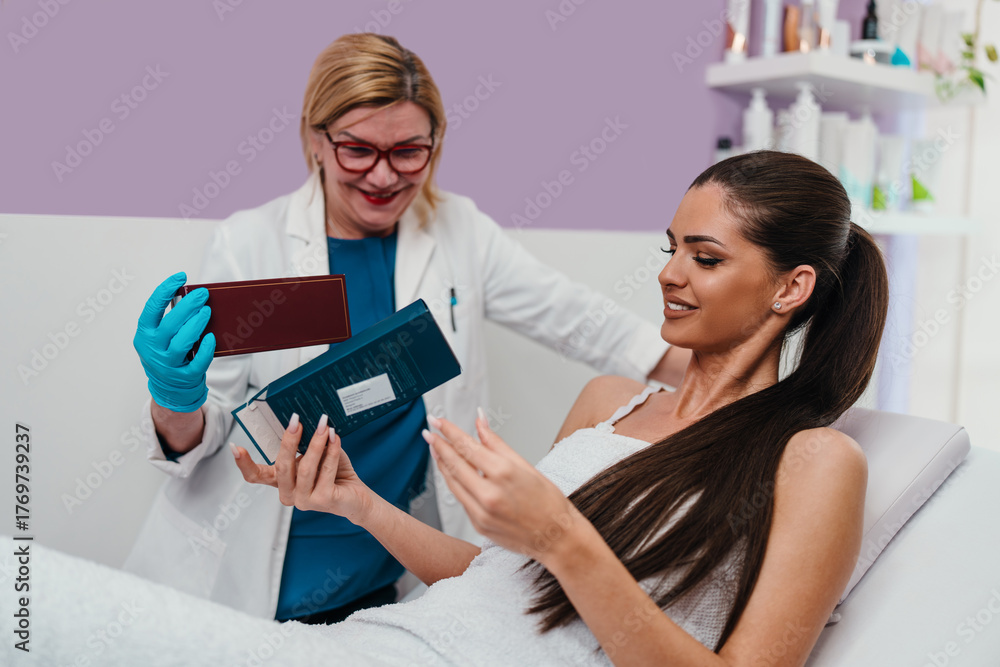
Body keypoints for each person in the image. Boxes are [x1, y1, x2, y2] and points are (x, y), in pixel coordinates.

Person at [13, 150, 889, 666]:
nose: (667, 272)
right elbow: (496, 579)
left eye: (704, 256)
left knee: (42, 607)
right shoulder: (612, 402)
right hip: (385, 637)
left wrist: (561, 536)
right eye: (671, 249)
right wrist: (356, 502)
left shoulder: (814, 459)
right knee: (37, 603)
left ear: (792, 286)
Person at [126, 32, 689, 625]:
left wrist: (748, 376)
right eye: (357, 150)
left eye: (407, 151)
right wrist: (175, 401)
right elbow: (204, 433)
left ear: (435, 145)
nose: (383, 176)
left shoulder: (460, 230)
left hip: (384, 577)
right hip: (245, 570)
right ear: (316, 141)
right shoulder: (251, 243)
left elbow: (588, 324)